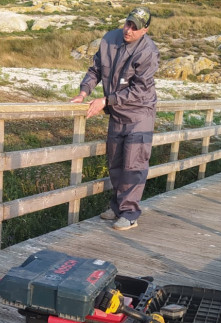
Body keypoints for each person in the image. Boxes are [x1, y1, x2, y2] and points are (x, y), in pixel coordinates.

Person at [71, 7, 159, 231]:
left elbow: (139, 90)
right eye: (128, 23)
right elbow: (95, 70)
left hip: (139, 113)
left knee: (134, 163)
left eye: (134, 27)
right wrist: (84, 92)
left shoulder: (148, 51)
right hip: (117, 113)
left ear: (145, 30)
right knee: (115, 161)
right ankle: (118, 206)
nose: (128, 30)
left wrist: (106, 101)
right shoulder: (109, 39)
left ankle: (129, 213)